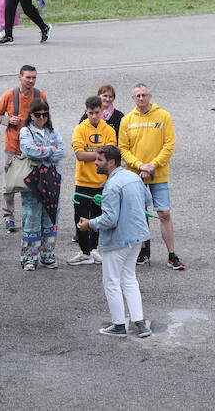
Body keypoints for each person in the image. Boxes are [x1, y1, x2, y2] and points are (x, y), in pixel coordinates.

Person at [77, 145, 151, 338]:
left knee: (111, 282)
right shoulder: (134, 177)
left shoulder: (111, 185)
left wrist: (89, 224)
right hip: (137, 237)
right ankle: (140, 323)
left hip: (118, 240)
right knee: (129, 279)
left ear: (111, 162)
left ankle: (119, 325)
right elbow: (147, 199)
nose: (95, 162)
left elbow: (109, 219)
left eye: (99, 160)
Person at [119, 84, 182, 270]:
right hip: (135, 175)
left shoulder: (163, 116)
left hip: (158, 174)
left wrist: (152, 165)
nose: (141, 98)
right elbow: (123, 148)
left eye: (144, 95)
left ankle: (172, 254)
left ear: (150, 96)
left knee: (164, 213)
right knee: (139, 213)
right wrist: (140, 166)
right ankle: (144, 251)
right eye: (137, 95)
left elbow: (169, 144)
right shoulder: (127, 120)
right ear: (133, 98)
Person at [0, 65, 48, 234]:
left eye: (34, 78)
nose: (31, 81)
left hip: (33, 148)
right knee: (9, 185)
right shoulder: (10, 95)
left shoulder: (40, 95)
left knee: (34, 185)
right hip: (12, 147)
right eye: (28, 78)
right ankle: (8, 217)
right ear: (20, 77)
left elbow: (46, 117)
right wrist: (8, 121)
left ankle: (30, 217)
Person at [68, 95, 117, 265]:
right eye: (91, 113)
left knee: (98, 217)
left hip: (102, 182)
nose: (94, 116)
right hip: (83, 181)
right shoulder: (80, 129)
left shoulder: (109, 130)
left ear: (102, 111)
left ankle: (94, 249)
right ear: (85, 111)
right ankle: (84, 251)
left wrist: (93, 155)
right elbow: (79, 155)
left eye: (97, 112)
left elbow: (111, 155)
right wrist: (100, 155)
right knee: (80, 218)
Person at [18, 99, 64, 270]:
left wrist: (43, 152)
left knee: (51, 215)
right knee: (32, 216)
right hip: (33, 179)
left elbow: (62, 152)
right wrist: (50, 149)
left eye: (45, 114)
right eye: (38, 115)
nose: (42, 118)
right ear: (31, 115)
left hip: (52, 179)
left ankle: (48, 255)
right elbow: (29, 151)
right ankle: (29, 258)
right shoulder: (25, 131)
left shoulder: (53, 131)